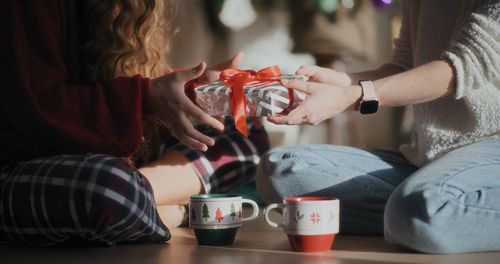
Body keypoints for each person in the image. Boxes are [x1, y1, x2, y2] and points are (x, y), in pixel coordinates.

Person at [0, 0, 269, 246]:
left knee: (244, 130)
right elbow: (38, 108)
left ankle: (146, 203)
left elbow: (130, 87)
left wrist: (192, 91)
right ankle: (178, 210)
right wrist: (147, 97)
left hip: (115, 165)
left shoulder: (137, 7)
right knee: (111, 188)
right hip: (25, 167)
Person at [257, 0, 499, 253]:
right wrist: (344, 83)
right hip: (428, 157)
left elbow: (459, 68)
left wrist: (350, 97)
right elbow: (404, 67)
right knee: (281, 168)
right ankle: (416, 212)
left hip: (492, 148)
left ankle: (419, 211)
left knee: (421, 212)